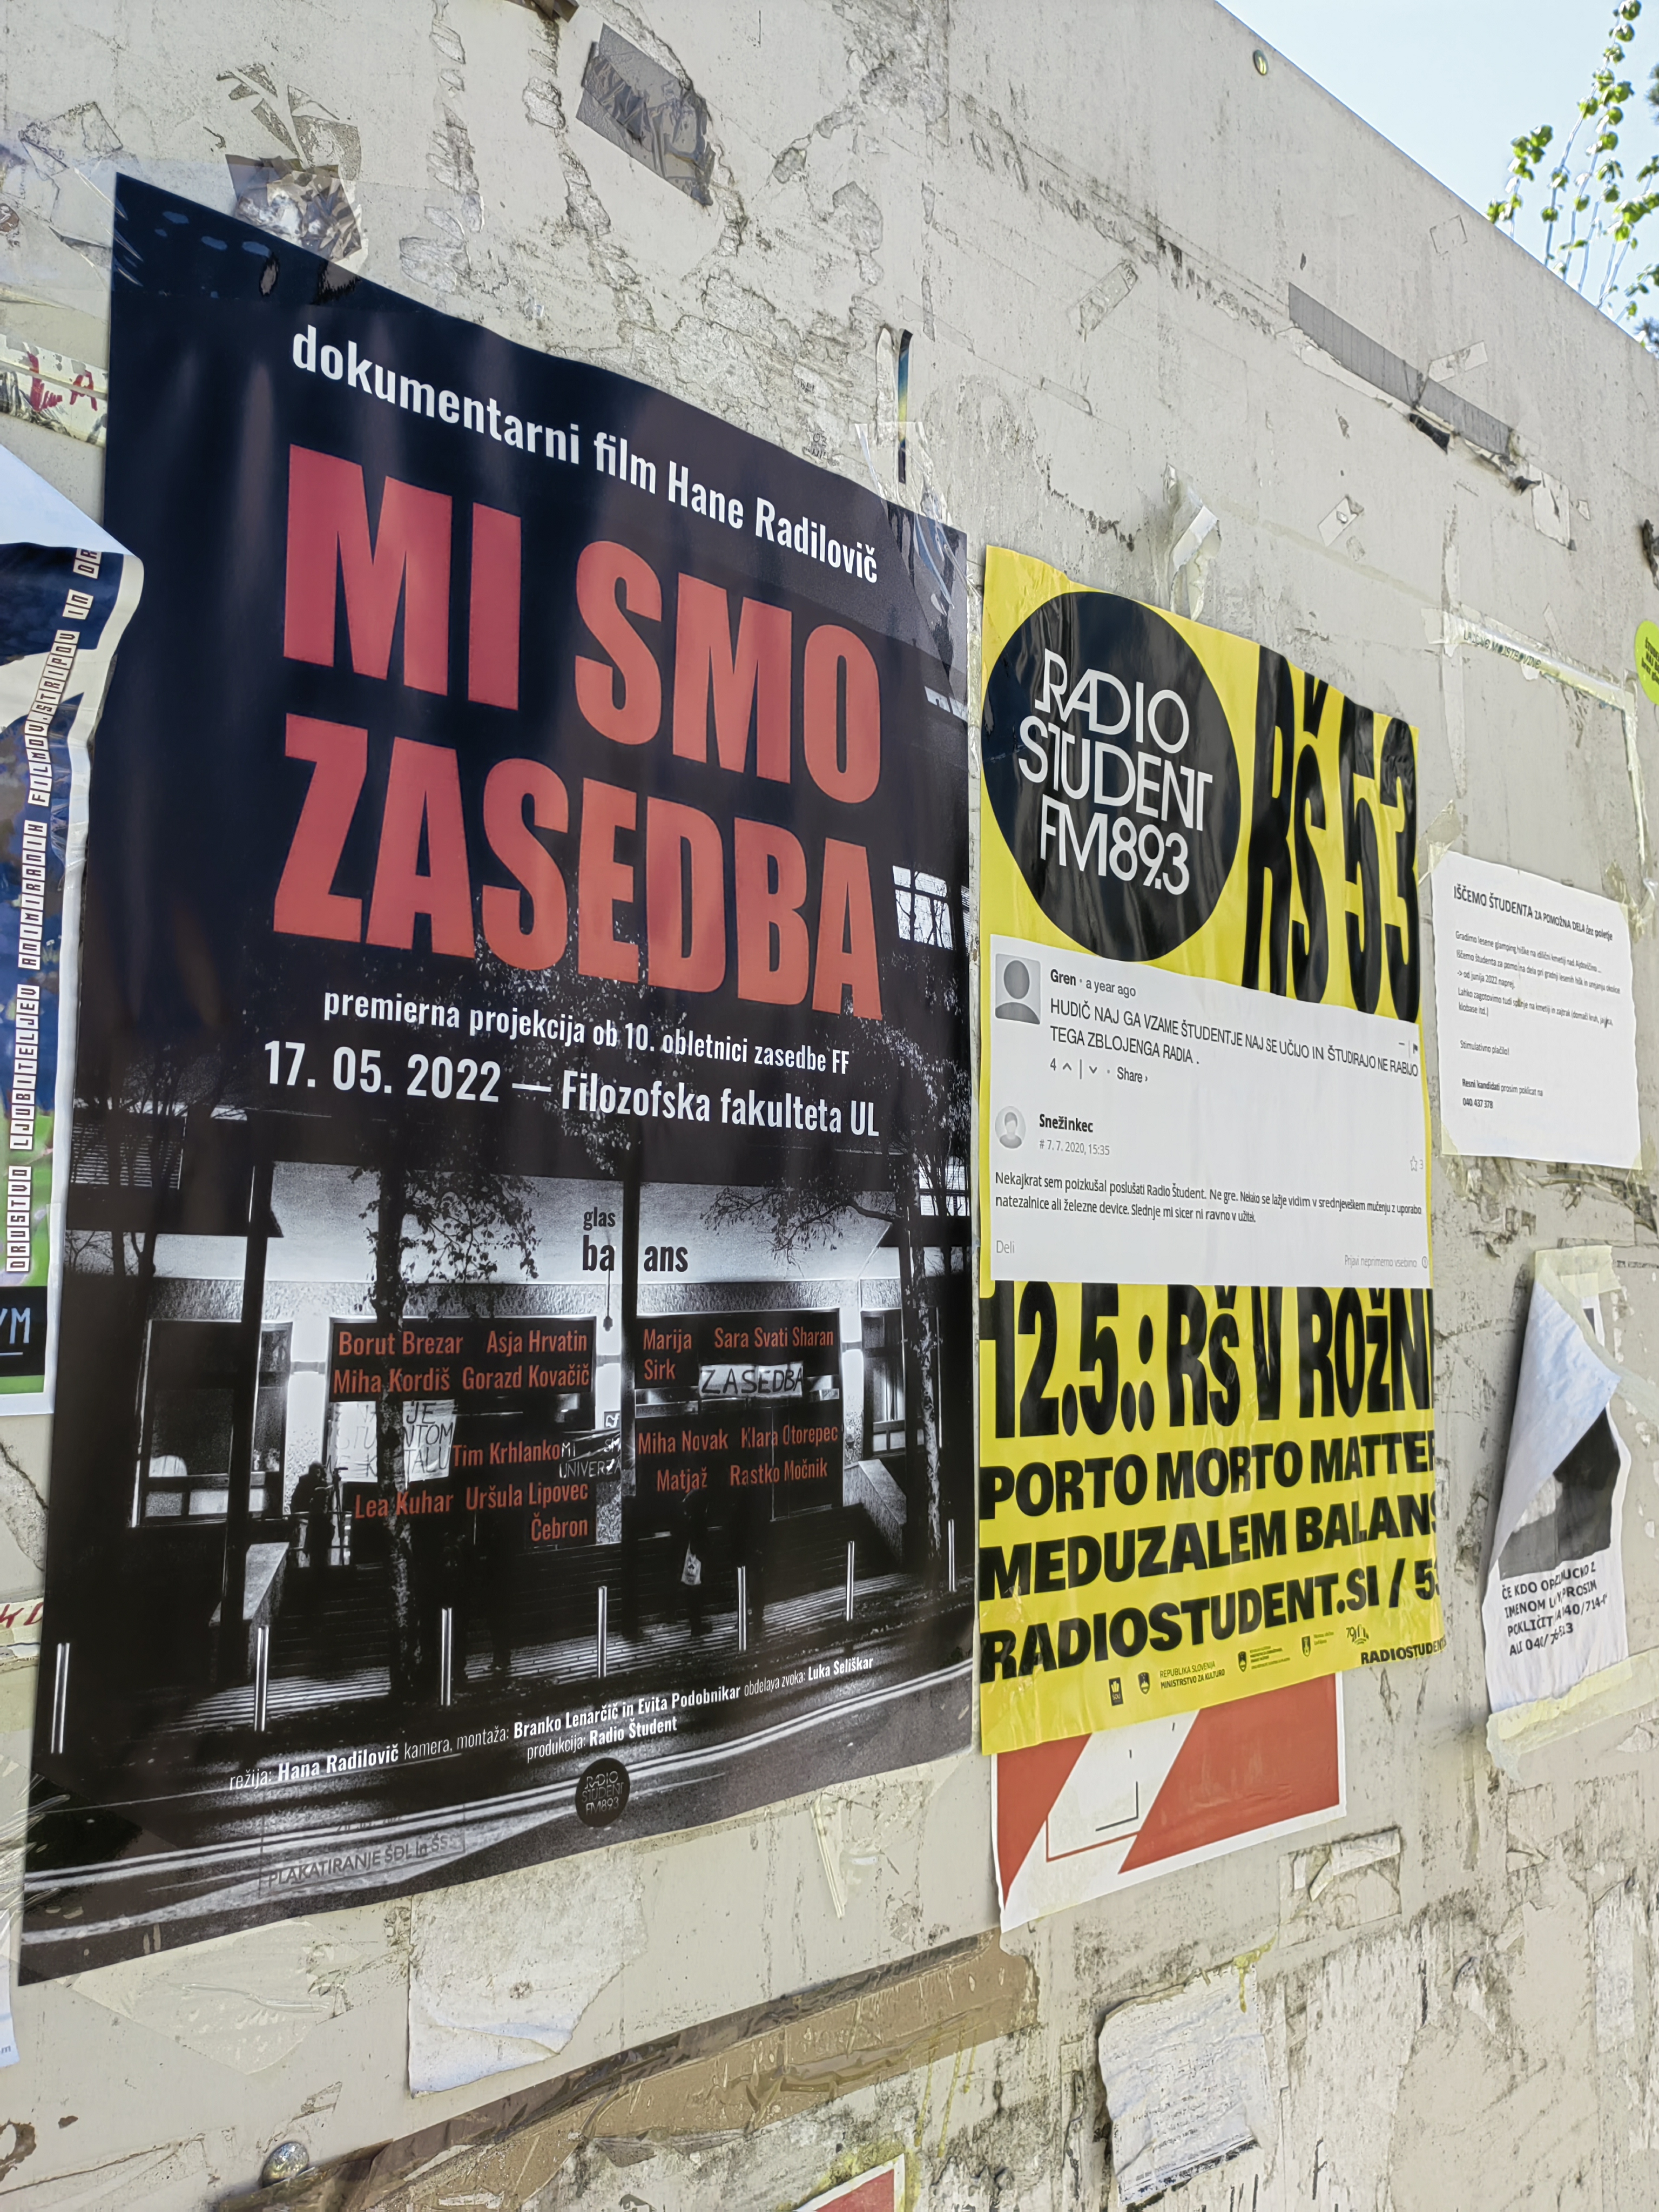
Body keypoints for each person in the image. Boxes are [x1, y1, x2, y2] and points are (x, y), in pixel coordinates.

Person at [289, 1460, 337, 1615]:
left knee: (319, 1564)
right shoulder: (304, 1485)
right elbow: (296, 1503)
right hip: (309, 1522)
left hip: (318, 1531)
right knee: (315, 1565)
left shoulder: (323, 1486)